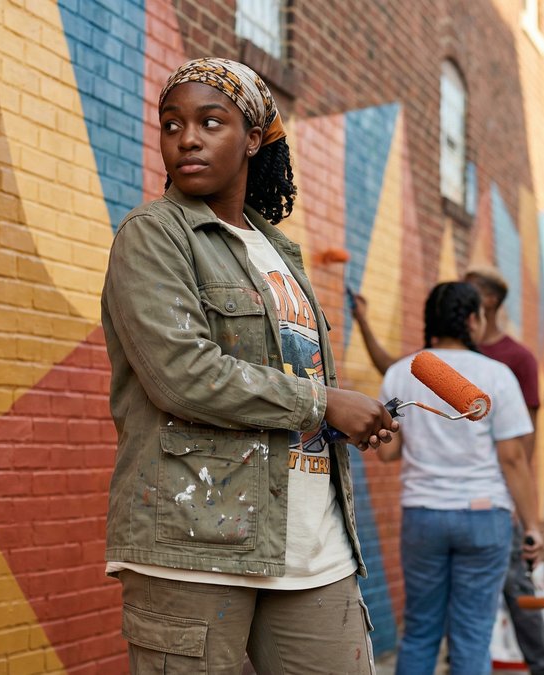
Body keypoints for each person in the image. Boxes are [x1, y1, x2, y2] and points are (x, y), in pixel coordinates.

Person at [100, 57, 399, 674]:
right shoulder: (154, 235)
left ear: (254, 138)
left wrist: (345, 417)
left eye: (212, 122)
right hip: (194, 539)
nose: (187, 138)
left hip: (314, 544)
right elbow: (180, 373)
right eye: (171, 124)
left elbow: (283, 375)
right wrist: (322, 403)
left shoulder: (278, 250)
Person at [352, 268, 544, 675]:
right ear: (472, 320)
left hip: (424, 515)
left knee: (421, 631)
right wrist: (532, 525)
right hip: (485, 518)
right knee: (472, 634)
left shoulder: (402, 372)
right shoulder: (497, 375)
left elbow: (389, 457)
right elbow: (514, 459)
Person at [462, 267, 544, 675]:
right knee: (464, 590)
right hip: (458, 492)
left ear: (487, 302)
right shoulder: (452, 354)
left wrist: (521, 501)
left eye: (469, 292)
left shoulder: (517, 358)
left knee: (517, 586)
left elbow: (527, 439)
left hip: (501, 492)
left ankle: (543, 667)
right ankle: (464, 662)